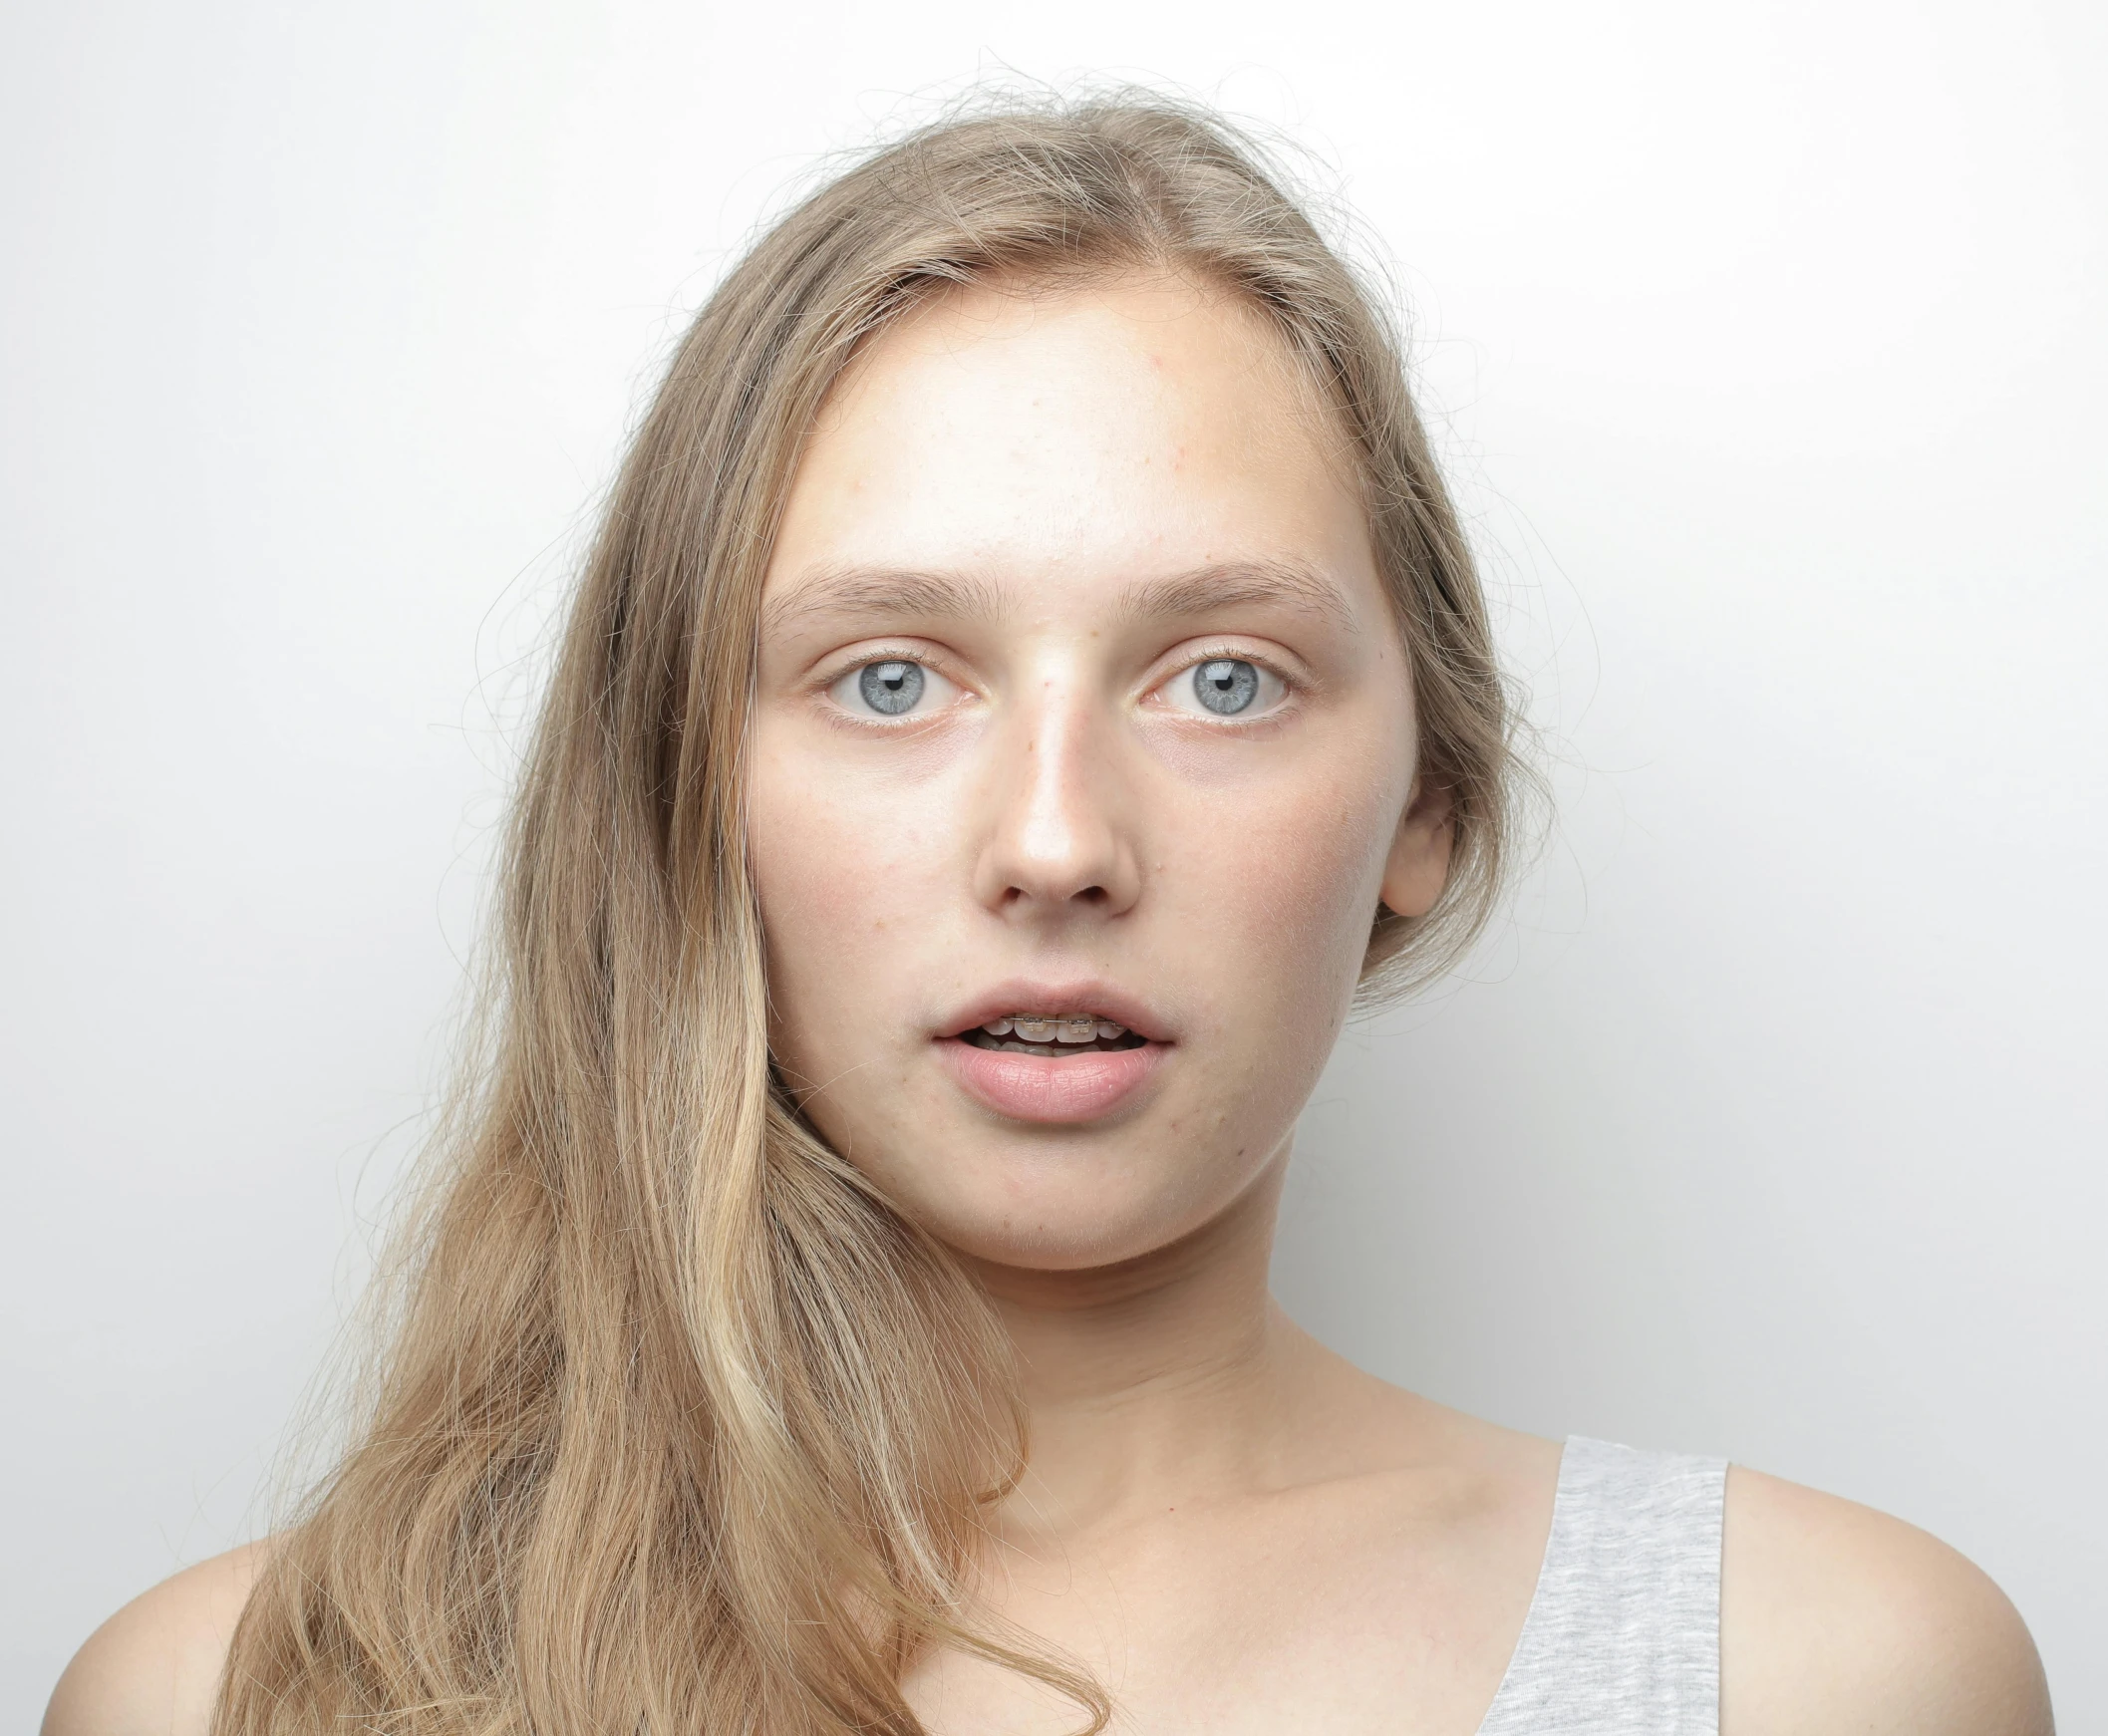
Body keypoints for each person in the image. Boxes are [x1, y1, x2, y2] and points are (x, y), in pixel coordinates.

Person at [45, 98, 2051, 1736]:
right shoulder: (241, 1696)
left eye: (1223, 677)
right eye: (894, 678)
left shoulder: (1823, 1672)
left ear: (1422, 801)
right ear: (681, 790)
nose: (1057, 839)